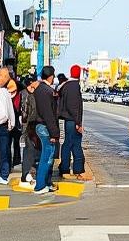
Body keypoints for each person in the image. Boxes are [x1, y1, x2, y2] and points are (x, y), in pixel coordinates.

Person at [32, 65, 60, 195]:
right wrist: (54, 133)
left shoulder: (40, 89)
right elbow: (49, 114)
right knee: (47, 157)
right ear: (51, 76)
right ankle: (40, 185)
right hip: (45, 127)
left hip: (41, 126)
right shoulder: (46, 91)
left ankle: (46, 183)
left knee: (46, 156)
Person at [58, 65, 86, 180]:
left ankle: (65, 168)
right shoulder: (74, 86)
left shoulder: (66, 85)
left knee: (68, 143)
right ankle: (76, 170)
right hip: (73, 121)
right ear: (78, 74)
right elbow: (74, 107)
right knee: (75, 144)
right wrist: (78, 123)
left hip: (68, 120)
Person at [18, 75, 40, 186]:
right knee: (29, 150)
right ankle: (26, 173)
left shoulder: (32, 93)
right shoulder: (26, 94)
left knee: (33, 150)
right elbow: (24, 112)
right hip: (29, 126)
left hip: (33, 124)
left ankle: (30, 172)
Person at [6, 76, 22, 171]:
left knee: (16, 143)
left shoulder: (19, 94)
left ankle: (16, 160)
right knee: (7, 143)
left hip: (16, 122)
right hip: (7, 122)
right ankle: (8, 162)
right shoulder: (5, 94)